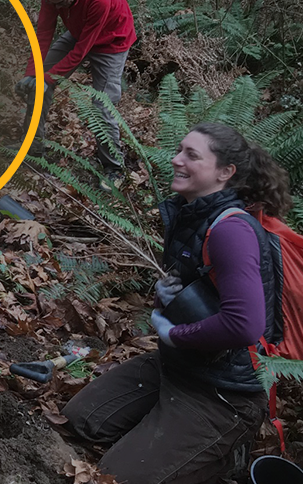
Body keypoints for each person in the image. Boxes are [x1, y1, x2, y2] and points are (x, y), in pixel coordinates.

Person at [62, 122, 291, 484]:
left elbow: (244, 325)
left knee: (115, 478)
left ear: (225, 173)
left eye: (191, 155)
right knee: (78, 420)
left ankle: (223, 454)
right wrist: (167, 297)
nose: (175, 159)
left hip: (223, 393)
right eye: (179, 149)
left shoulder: (232, 230)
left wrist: (175, 333)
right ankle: (163, 433)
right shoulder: (189, 213)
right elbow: (202, 288)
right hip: (176, 367)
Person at [16, 0, 136, 188]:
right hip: (79, 31)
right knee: (36, 85)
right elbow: (43, 32)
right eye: (53, 3)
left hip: (112, 41)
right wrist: (32, 74)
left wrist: (47, 78)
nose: (57, 7)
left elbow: (81, 51)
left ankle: (114, 168)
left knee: (101, 104)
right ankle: (32, 147)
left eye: (62, 3)